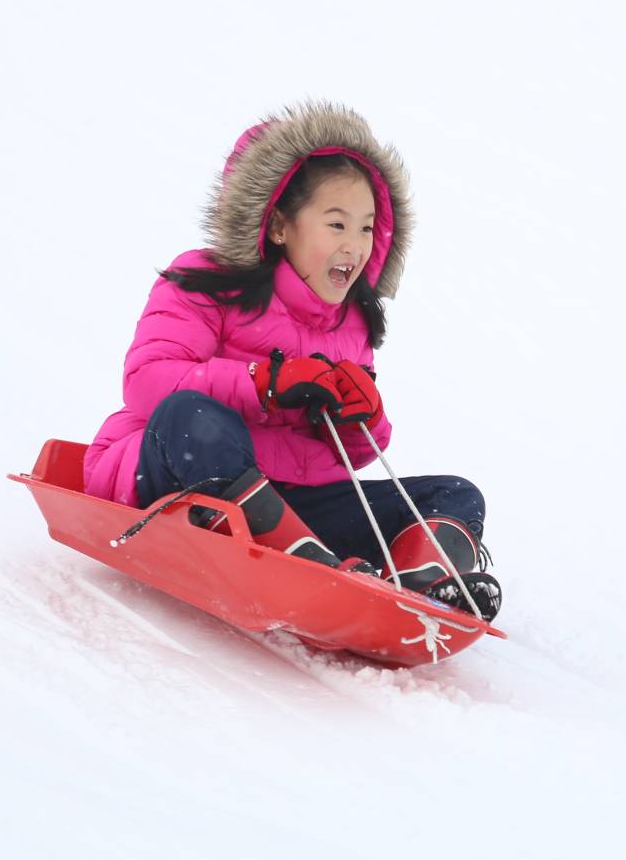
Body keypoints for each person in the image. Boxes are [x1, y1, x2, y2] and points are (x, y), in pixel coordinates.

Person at [81, 101, 501, 621]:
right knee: (189, 417)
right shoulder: (202, 280)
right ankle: (310, 566)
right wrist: (265, 383)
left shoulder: (349, 322)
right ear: (279, 226)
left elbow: (349, 454)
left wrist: (364, 416)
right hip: (173, 476)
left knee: (455, 495)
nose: (355, 246)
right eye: (337, 224)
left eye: (367, 229)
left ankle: (423, 587)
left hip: (293, 505)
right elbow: (146, 381)